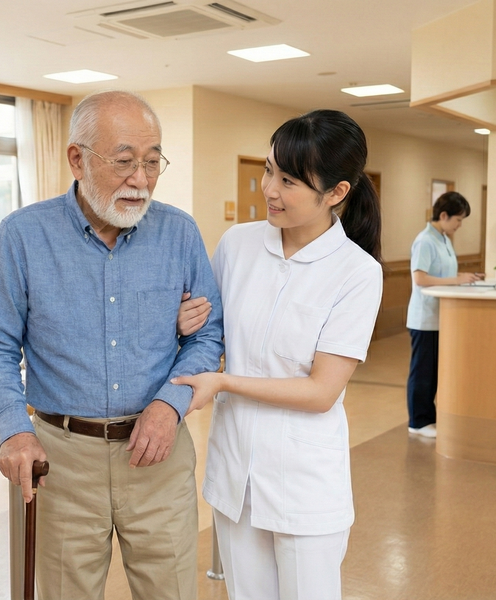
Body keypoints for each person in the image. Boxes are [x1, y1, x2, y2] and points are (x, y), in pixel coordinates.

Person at [0, 90, 224, 600]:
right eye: (125, 162)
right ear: (76, 158)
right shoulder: (23, 236)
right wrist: (14, 431)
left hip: (159, 454)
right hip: (61, 460)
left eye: (153, 163)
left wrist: (170, 404)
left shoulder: (179, 233)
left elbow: (208, 336)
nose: (141, 180)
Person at [173, 110, 383, 600]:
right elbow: (211, 335)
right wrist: (184, 323)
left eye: (288, 181)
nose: (270, 189)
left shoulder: (357, 272)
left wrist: (225, 383)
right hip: (235, 478)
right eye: (269, 170)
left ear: (336, 193)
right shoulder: (237, 244)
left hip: (304, 483)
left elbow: (320, 391)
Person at [404, 191, 480, 438]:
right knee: (422, 371)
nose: (459, 225)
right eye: (458, 220)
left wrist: (462, 280)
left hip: (440, 318)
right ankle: (418, 421)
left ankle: (429, 416)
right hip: (424, 318)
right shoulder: (425, 240)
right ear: (444, 215)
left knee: (434, 371)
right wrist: (457, 280)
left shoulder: (444, 238)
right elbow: (420, 278)